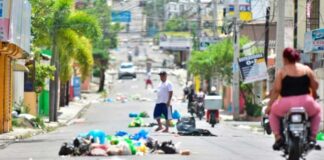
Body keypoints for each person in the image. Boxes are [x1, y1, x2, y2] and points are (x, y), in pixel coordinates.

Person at [265, 47, 322, 150]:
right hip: (306, 102)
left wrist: (269, 106)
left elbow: (277, 90)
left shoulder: (282, 71)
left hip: (286, 103)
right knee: (317, 111)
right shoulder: (306, 69)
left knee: (272, 113)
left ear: (285, 59)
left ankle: (278, 138)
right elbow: (315, 85)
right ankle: (312, 137)